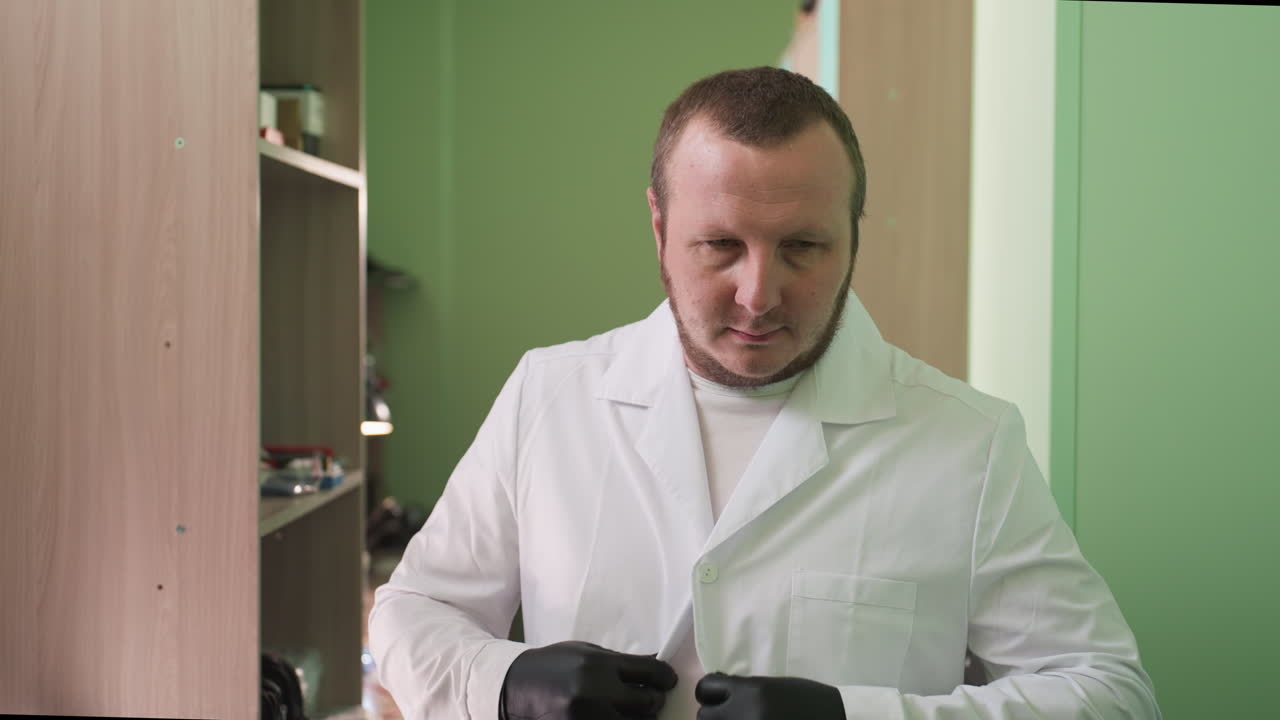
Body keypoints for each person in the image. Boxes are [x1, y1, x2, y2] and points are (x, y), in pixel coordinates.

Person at [368, 66, 1160, 720]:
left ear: (853, 234)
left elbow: (1109, 692)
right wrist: (504, 685)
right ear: (658, 228)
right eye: (720, 245)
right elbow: (414, 612)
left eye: (803, 248)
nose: (759, 294)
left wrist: (860, 717)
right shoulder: (550, 395)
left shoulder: (969, 443)